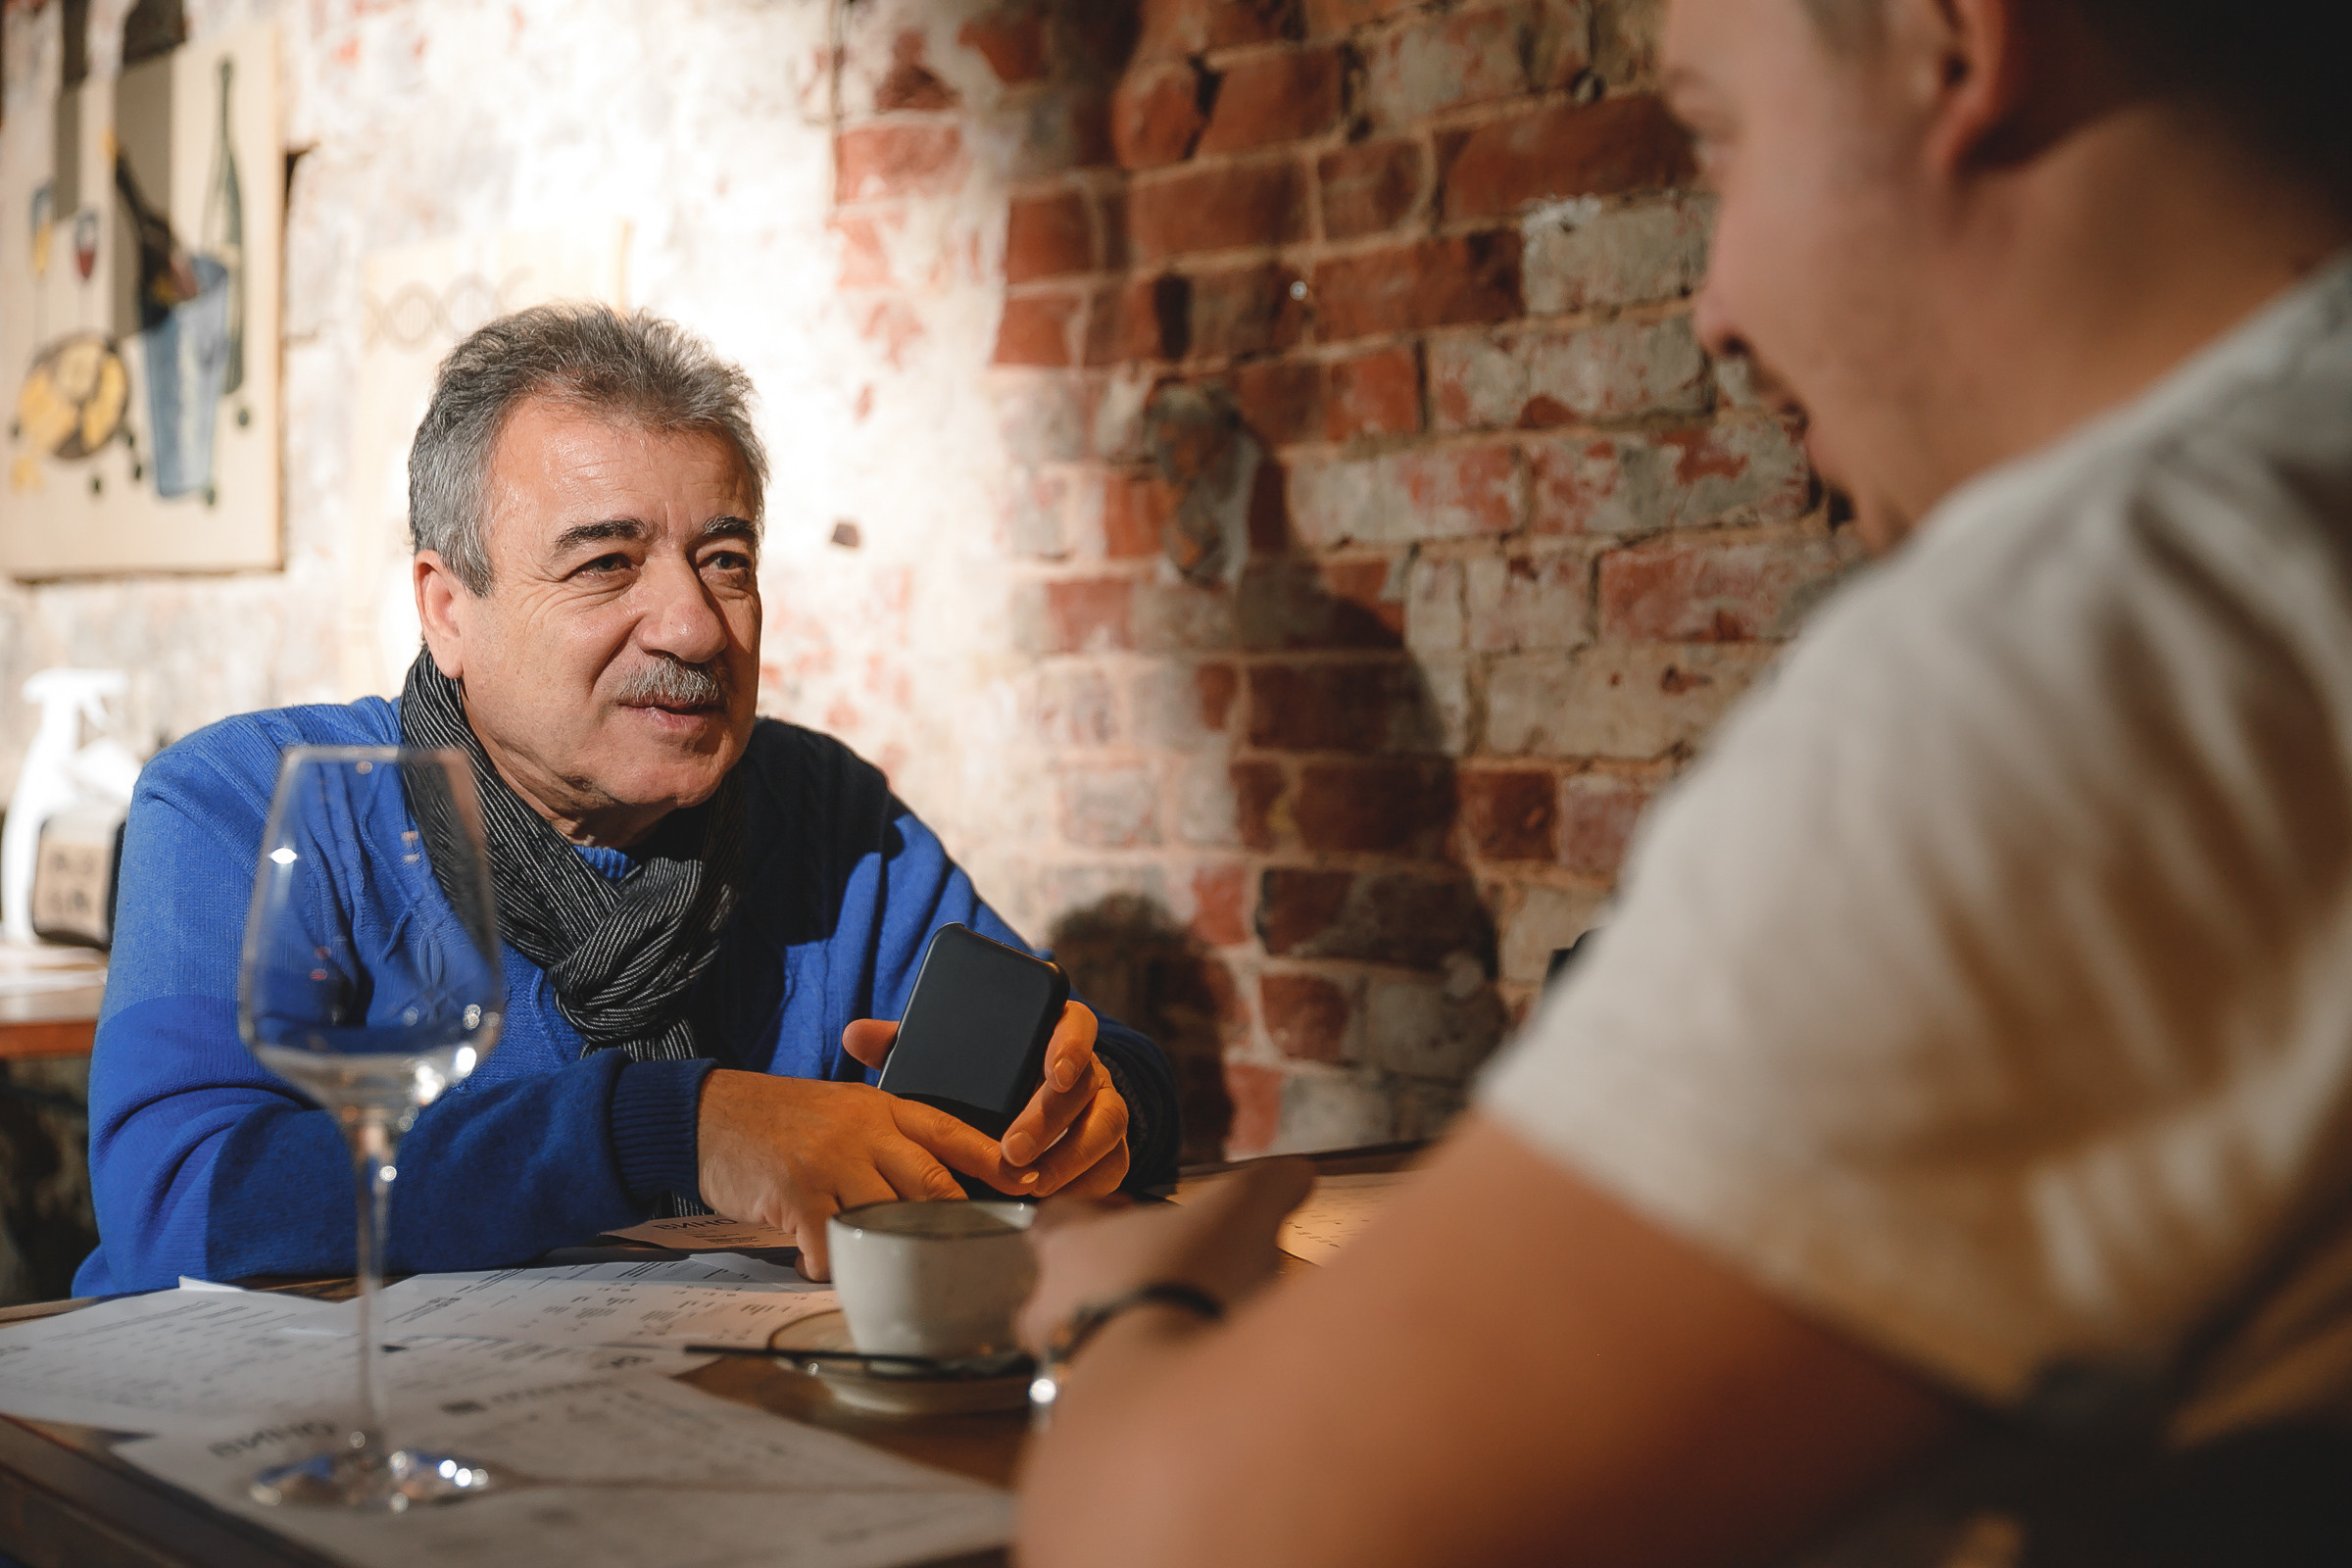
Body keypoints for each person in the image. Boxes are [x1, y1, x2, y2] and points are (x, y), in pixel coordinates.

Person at [1011, 0, 2352, 1563]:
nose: (1715, 309)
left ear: (1952, 47)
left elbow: (1174, 1543)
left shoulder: (2102, 634)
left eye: (1717, 136)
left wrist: (1124, 1309)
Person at [75, 306, 1177, 1296]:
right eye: (607, 563)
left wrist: (1093, 1109)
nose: (693, 626)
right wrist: (673, 1126)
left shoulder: (824, 814)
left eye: (726, 559)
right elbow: (176, 1199)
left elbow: (1104, 1061)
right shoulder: (247, 803)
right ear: (447, 608)